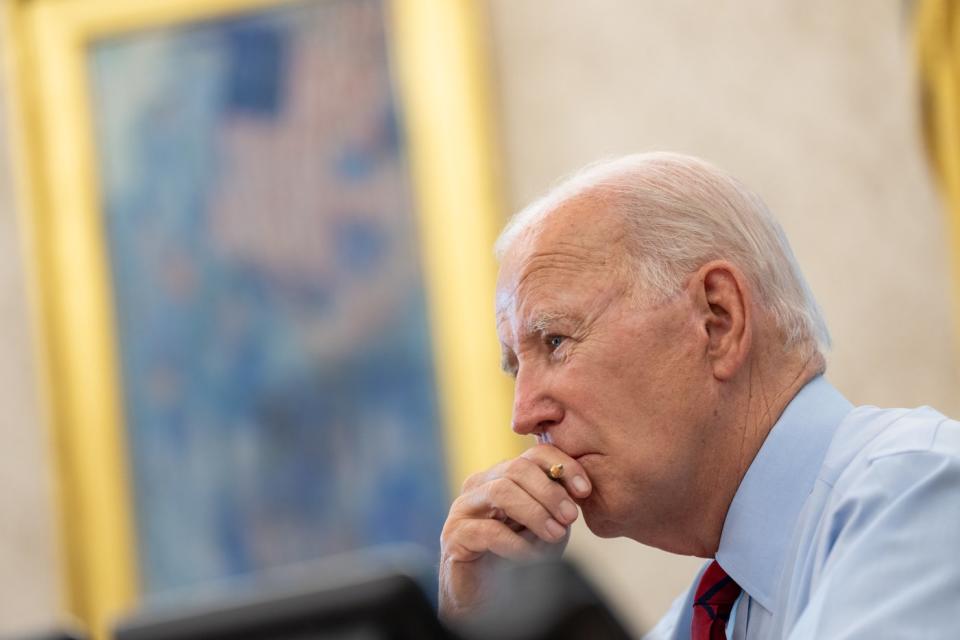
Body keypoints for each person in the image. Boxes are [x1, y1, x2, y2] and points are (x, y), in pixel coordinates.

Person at [438, 152, 960, 639]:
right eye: (515, 369)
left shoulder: (921, 492)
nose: (524, 415)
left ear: (717, 320)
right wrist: (489, 622)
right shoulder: (694, 621)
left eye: (556, 341)